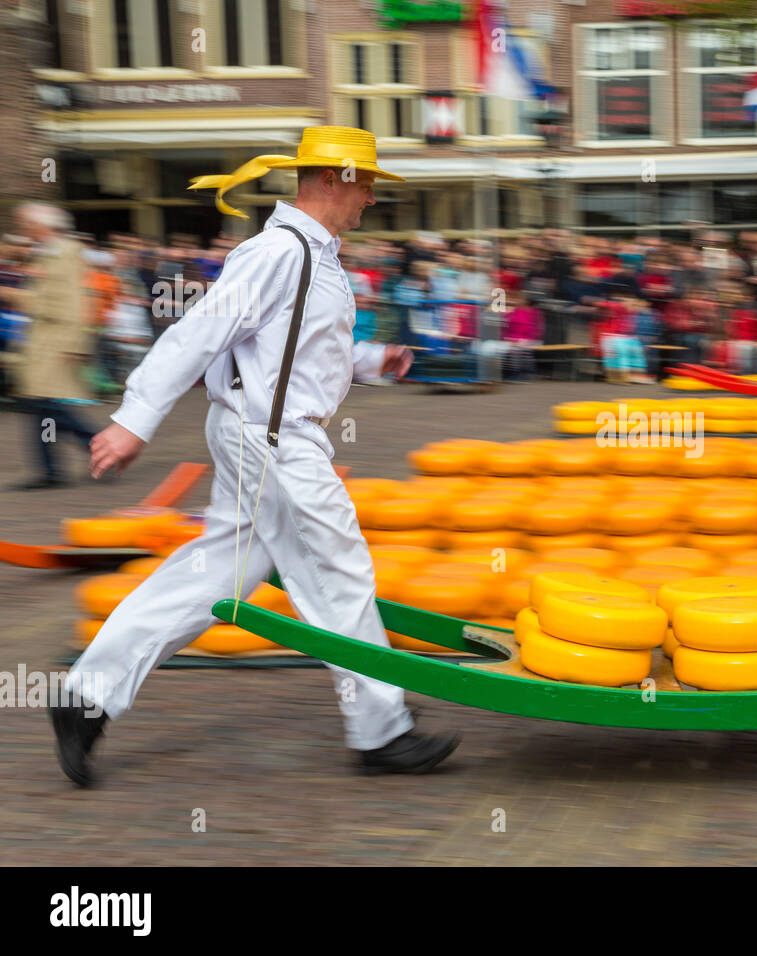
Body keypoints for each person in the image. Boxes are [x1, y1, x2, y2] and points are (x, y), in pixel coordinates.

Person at [51, 127, 460, 786]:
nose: (373, 198)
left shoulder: (312, 256)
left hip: (264, 436)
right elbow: (197, 334)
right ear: (333, 179)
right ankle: (382, 731)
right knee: (342, 570)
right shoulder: (280, 253)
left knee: (212, 576)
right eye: (368, 182)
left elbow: (290, 353)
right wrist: (133, 421)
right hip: (275, 443)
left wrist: (369, 360)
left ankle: (86, 696)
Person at [0, 203, 98, 489]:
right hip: (44, 340)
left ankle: (94, 449)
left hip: (55, 340)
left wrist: (75, 343)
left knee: (45, 406)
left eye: (27, 225)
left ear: (43, 226)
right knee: (42, 406)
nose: (24, 231)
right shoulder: (49, 253)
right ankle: (60, 466)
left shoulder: (65, 254)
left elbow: (73, 301)